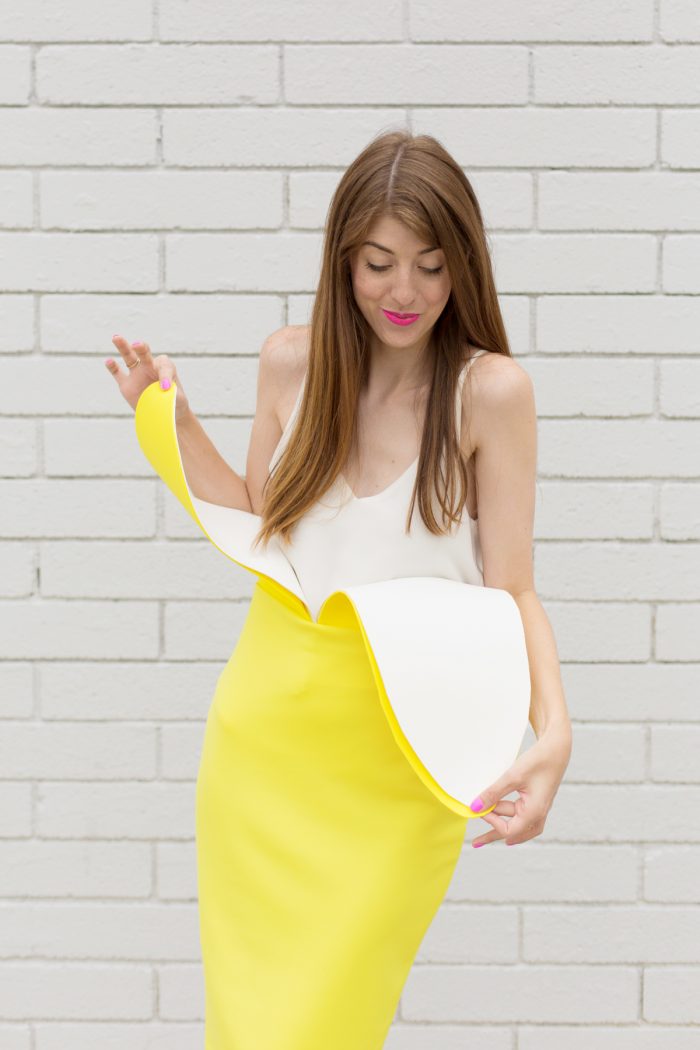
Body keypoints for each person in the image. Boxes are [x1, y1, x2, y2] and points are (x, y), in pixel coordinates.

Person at [105, 130, 572, 1049]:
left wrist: (553, 732)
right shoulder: (292, 362)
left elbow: (512, 587)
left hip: (401, 761)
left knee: (332, 1019)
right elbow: (261, 524)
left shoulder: (492, 394)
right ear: (344, 262)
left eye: (432, 267)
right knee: (252, 1027)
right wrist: (175, 423)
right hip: (267, 744)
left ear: (463, 267)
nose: (404, 293)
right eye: (379, 264)